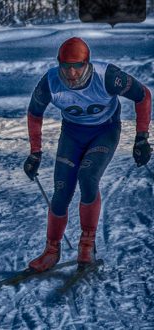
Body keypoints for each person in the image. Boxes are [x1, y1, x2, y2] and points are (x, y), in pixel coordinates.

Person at [23, 37, 151, 272]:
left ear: (87, 63)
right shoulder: (50, 82)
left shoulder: (108, 76)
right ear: (58, 64)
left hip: (105, 132)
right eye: (66, 66)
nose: (71, 73)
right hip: (72, 135)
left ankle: (87, 244)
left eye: (78, 66)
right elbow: (34, 114)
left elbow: (143, 95)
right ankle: (51, 250)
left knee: (88, 177)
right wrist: (35, 153)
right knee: (61, 190)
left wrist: (142, 137)